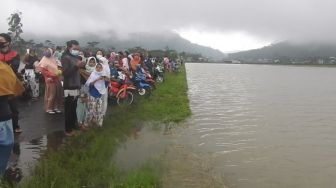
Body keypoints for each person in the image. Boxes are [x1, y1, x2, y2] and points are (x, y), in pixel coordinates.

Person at [0, 61, 24, 175]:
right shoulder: (5, 69)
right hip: (4, 116)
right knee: (5, 148)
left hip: (4, 117)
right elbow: (17, 91)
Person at [61, 40, 85, 136]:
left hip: (76, 85)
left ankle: (74, 125)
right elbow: (66, 73)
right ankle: (68, 130)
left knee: (74, 107)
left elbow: (77, 70)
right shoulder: (65, 57)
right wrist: (76, 66)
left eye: (78, 49)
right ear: (69, 47)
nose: (77, 51)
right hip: (69, 86)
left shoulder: (74, 57)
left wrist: (81, 66)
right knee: (69, 109)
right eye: (75, 49)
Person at [0, 33, 22, 134]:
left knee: (13, 107)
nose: (1, 44)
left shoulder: (15, 54)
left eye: (2, 42)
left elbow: (14, 68)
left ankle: (15, 126)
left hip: (11, 84)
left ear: (9, 43)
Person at [36, 48, 63, 114]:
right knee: (51, 94)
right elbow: (43, 71)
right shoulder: (44, 60)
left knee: (58, 93)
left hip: (57, 78)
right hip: (50, 79)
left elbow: (58, 67)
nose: (48, 53)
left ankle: (56, 107)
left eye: (50, 51)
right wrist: (52, 75)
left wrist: (59, 71)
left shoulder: (53, 59)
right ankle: (49, 108)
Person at [85, 63, 109, 127]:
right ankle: (87, 123)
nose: (98, 69)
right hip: (92, 95)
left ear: (102, 68)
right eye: (97, 67)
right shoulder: (93, 74)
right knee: (90, 109)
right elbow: (89, 84)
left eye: (100, 67)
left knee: (99, 110)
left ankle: (99, 123)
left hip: (99, 96)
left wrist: (105, 78)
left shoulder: (103, 76)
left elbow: (106, 84)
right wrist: (96, 79)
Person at [96, 50, 110, 116]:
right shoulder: (97, 66)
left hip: (104, 85)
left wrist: (103, 78)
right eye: (99, 61)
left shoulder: (107, 67)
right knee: (98, 99)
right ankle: (97, 113)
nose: (100, 62)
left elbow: (108, 78)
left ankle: (103, 113)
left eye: (102, 61)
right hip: (97, 85)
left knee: (104, 99)